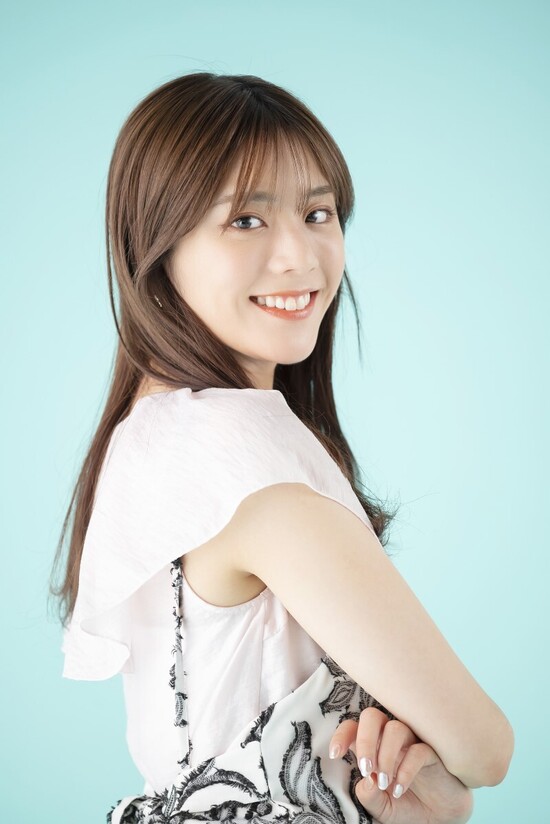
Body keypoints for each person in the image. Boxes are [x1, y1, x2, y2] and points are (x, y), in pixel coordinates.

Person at [50, 72, 514, 824]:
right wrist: (441, 769)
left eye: (318, 213)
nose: (299, 255)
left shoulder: (149, 434)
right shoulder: (240, 452)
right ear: (157, 245)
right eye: (246, 220)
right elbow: (485, 747)